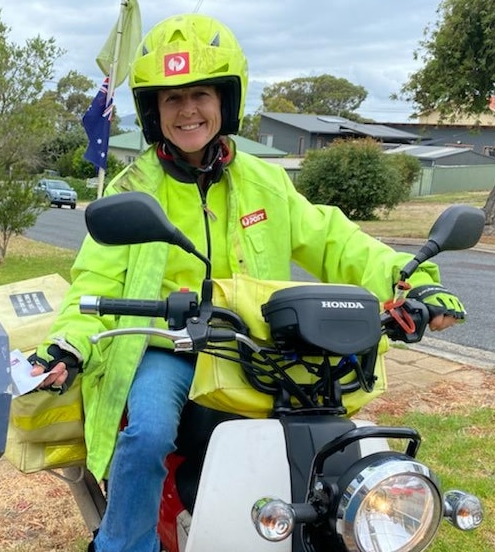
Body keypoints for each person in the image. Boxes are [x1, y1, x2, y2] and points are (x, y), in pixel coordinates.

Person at [29, 13, 466, 552]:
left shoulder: (267, 180)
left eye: (201, 95)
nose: (188, 110)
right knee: (145, 437)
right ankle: (122, 543)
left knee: (337, 434)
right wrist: (67, 344)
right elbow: (92, 276)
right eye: (172, 99)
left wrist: (414, 281)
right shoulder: (135, 186)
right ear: (152, 111)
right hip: (171, 345)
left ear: (225, 101)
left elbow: (335, 240)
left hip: (257, 345)